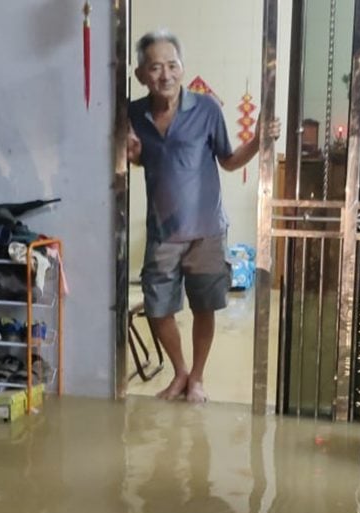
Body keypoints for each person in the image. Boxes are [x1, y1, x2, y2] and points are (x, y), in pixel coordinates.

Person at [127, 29, 279, 403]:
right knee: (158, 308)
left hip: (207, 231)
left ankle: (196, 377)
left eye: (172, 65)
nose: (166, 74)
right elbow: (136, 157)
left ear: (183, 67)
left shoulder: (206, 109)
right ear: (141, 74)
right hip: (162, 230)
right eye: (156, 67)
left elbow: (228, 161)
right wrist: (127, 154)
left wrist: (259, 141)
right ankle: (179, 371)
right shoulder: (132, 114)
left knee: (204, 307)